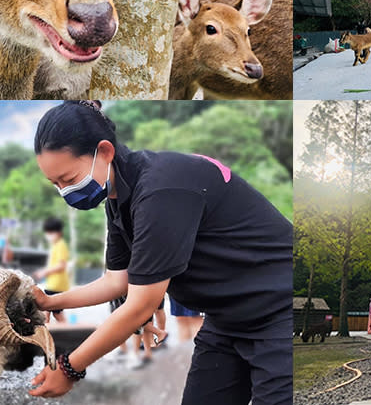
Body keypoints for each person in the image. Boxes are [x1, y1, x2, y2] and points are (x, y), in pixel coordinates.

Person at [27, 101, 292, 404]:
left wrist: (70, 368)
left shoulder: (160, 191)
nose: (65, 192)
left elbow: (141, 305)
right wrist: (52, 300)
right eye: (56, 184)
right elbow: (117, 281)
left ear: (104, 152)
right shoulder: (119, 198)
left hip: (277, 313)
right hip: (226, 321)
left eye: (69, 179)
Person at [33, 217, 70, 323]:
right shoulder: (56, 245)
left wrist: (44, 272)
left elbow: (61, 265)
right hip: (53, 284)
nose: (49, 236)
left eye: (51, 233)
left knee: (49, 311)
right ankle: (64, 330)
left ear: (59, 232)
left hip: (56, 285)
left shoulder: (60, 245)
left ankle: (48, 333)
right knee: (55, 312)